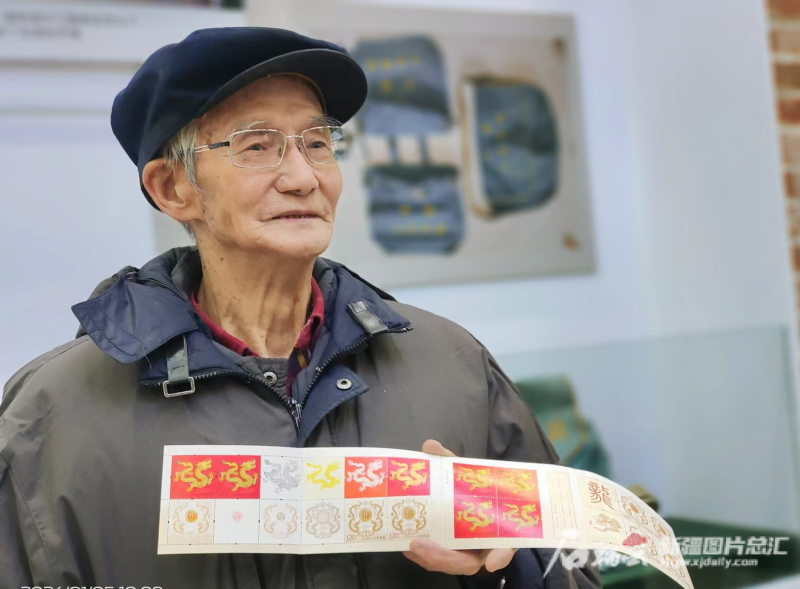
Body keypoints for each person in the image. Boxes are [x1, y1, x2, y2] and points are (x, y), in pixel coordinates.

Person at [0, 27, 601, 589]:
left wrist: (503, 565)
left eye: (317, 143)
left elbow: (572, 564)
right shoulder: (54, 414)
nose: (303, 177)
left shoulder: (452, 364)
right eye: (256, 146)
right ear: (172, 188)